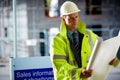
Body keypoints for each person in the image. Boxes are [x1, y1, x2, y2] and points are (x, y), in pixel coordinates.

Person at [50, 1, 119, 80]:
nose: (75, 20)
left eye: (76, 17)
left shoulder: (89, 35)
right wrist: (79, 73)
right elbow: (61, 67)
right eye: (71, 18)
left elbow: (103, 53)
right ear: (63, 19)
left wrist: (114, 60)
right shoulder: (58, 41)